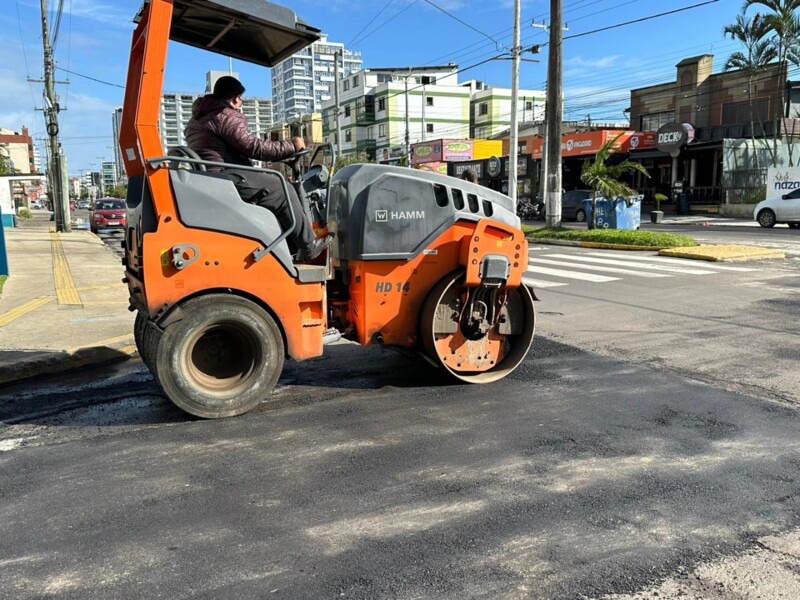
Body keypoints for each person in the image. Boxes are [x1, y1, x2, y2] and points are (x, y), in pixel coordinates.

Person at [185, 76, 332, 262]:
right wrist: (292, 146)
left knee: (272, 183)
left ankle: (291, 247)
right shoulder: (224, 115)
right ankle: (308, 245)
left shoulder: (196, 120)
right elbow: (254, 147)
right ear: (235, 98)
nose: (241, 102)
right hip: (227, 177)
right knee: (282, 188)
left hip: (213, 177)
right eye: (240, 97)